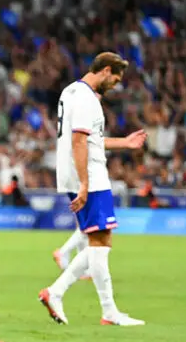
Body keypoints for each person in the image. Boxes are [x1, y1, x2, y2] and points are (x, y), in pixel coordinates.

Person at [39, 52, 147, 326]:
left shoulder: (71, 91)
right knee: (100, 243)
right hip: (89, 176)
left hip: (80, 174)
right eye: (115, 78)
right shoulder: (87, 99)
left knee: (100, 242)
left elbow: (90, 140)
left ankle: (60, 293)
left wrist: (125, 143)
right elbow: (78, 142)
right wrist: (85, 183)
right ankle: (104, 310)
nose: (115, 84)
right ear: (106, 70)